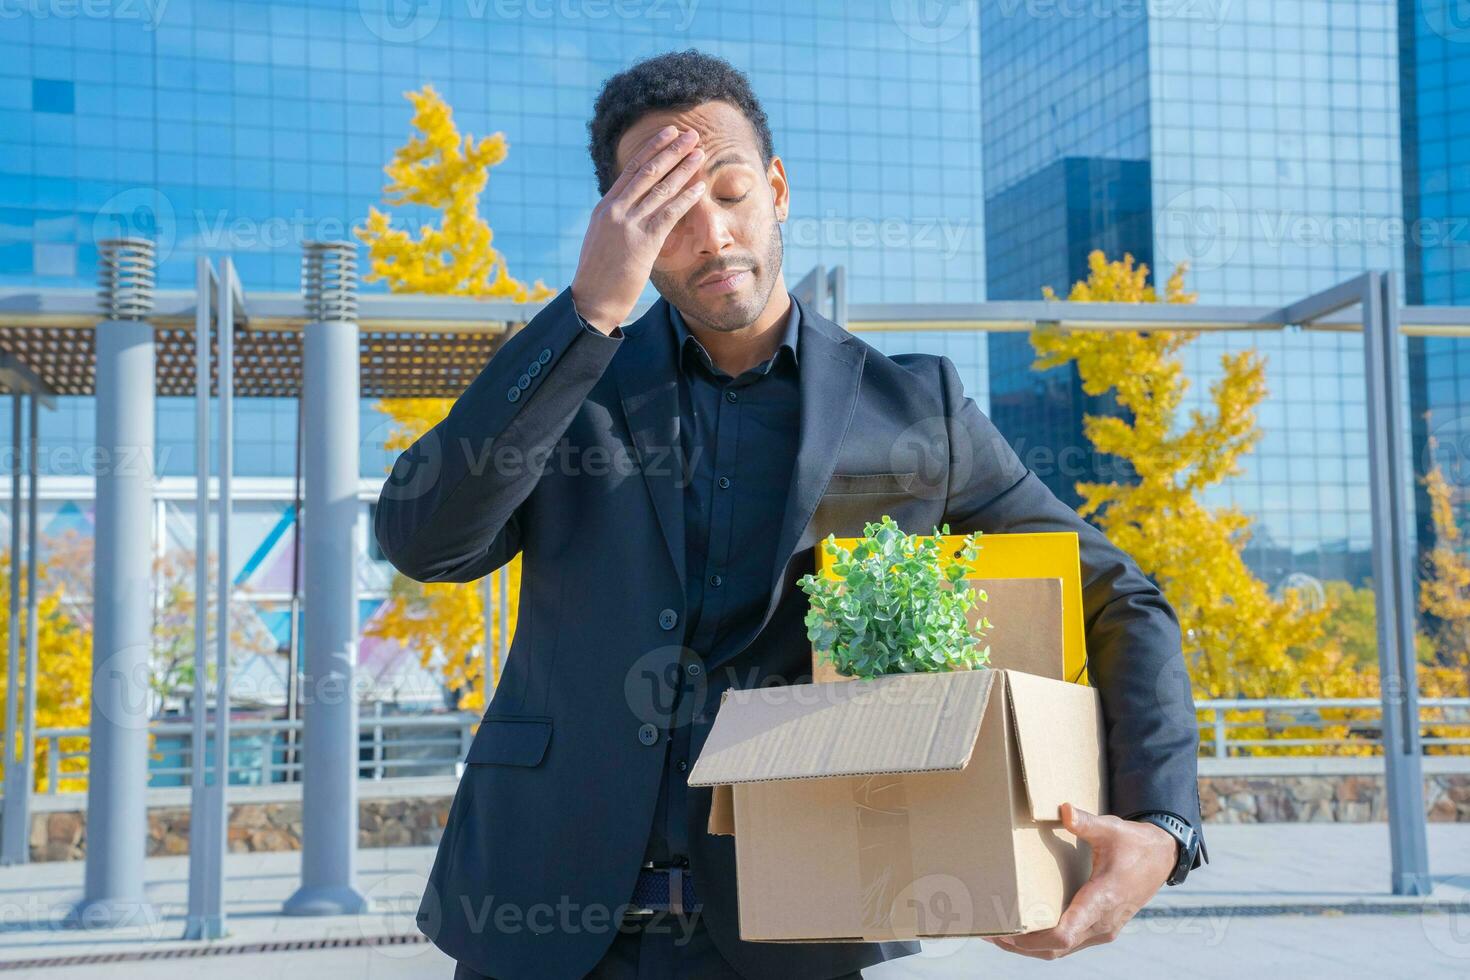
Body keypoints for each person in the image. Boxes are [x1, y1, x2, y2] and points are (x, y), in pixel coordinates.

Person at [375, 48, 1205, 980]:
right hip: (535, 927)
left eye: (729, 191)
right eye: (665, 211)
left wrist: (1160, 825)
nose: (711, 232)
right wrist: (587, 310)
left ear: (775, 187)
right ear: (621, 229)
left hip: (795, 928)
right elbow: (423, 541)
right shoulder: (568, 383)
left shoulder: (913, 408)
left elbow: (1118, 596)